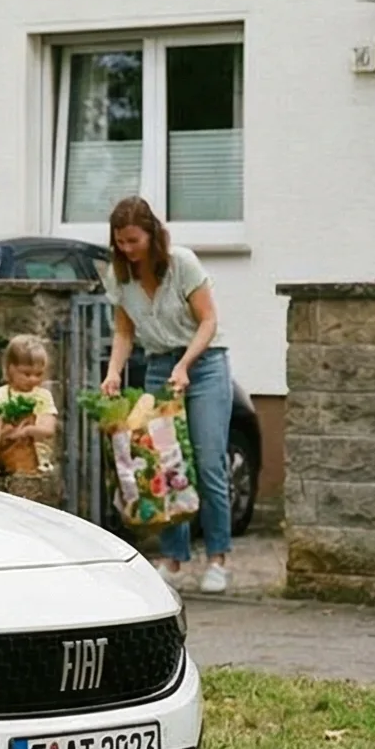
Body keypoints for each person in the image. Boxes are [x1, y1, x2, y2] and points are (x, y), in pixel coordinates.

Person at [100, 194, 232, 593]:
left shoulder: (183, 264)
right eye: (121, 242)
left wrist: (185, 365)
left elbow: (208, 321)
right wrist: (114, 372)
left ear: (152, 235)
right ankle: (174, 559)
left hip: (205, 364)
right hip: (159, 365)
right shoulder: (119, 276)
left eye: (134, 241)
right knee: (164, 467)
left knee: (209, 462)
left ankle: (218, 558)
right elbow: (124, 331)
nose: (128, 249)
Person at [0, 332, 59, 472]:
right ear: (10, 369)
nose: (33, 379)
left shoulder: (43, 396)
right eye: (26, 373)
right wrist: (5, 433)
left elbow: (48, 429)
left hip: (36, 464)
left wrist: (26, 431)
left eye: (38, 374)